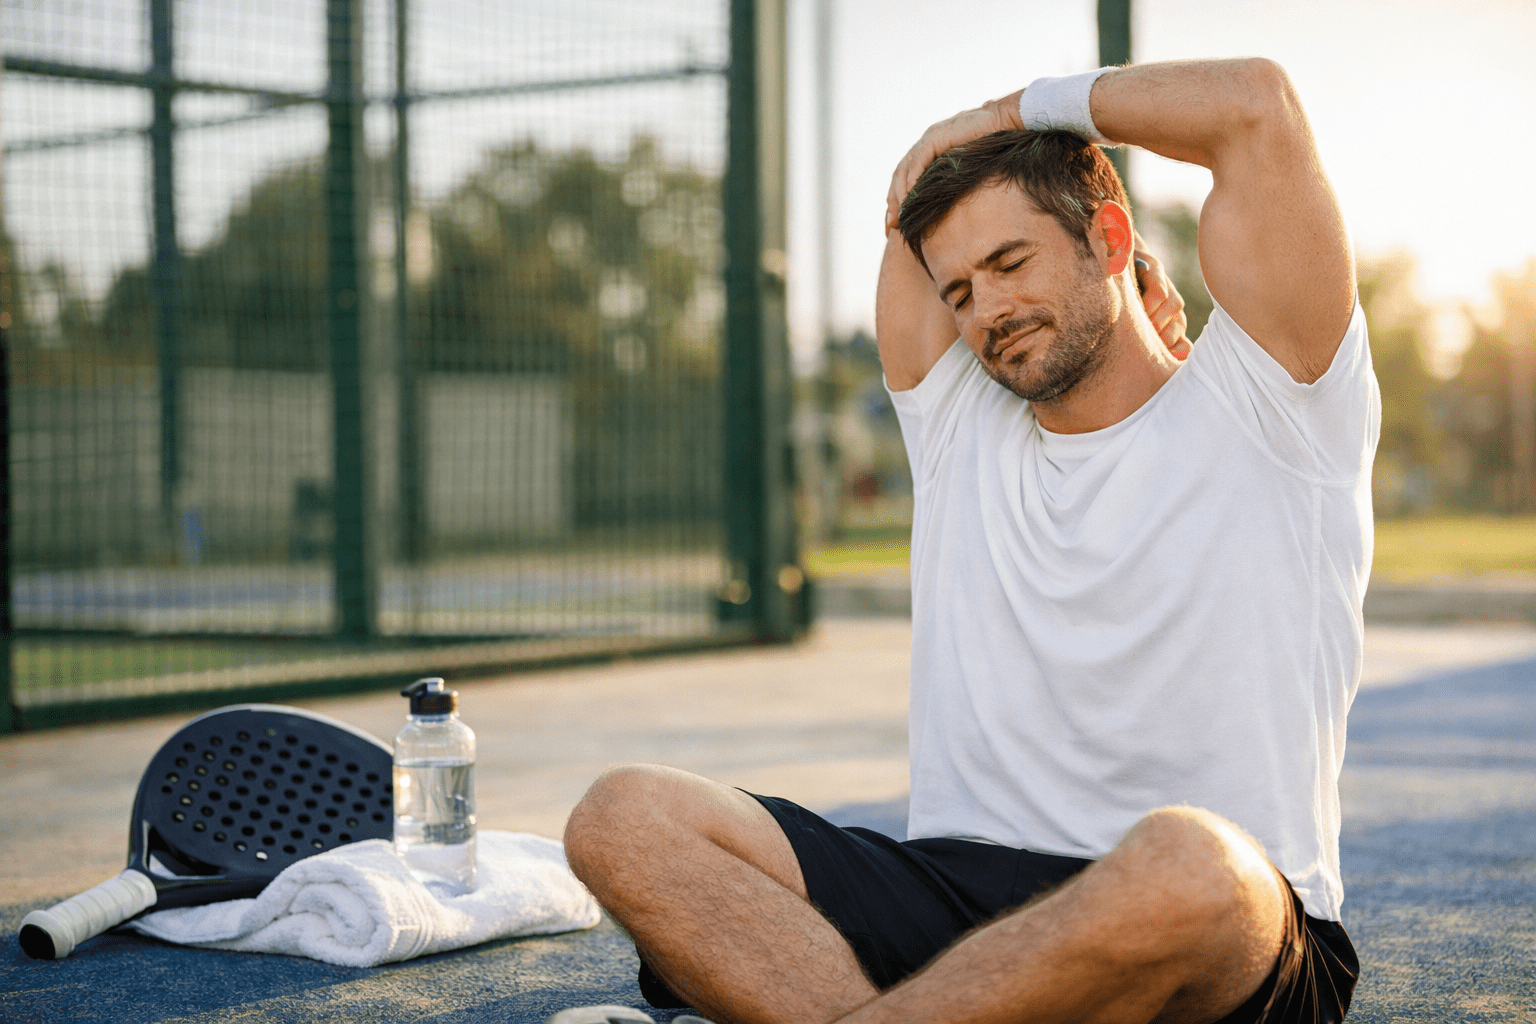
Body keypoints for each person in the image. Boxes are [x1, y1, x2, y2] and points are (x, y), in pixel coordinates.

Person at [562, 56, 1376, 1024]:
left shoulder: (1275, 402)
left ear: (1110, 238)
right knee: (623, 817)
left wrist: (1000, 116)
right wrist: (937, 167)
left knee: (1191, 860)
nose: (986, 311)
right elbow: (914, 215)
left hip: (1215, 924)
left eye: (1010, 263)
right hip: (957, 898)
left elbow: (1255, 108)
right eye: (958, 292)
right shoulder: (958, 427)